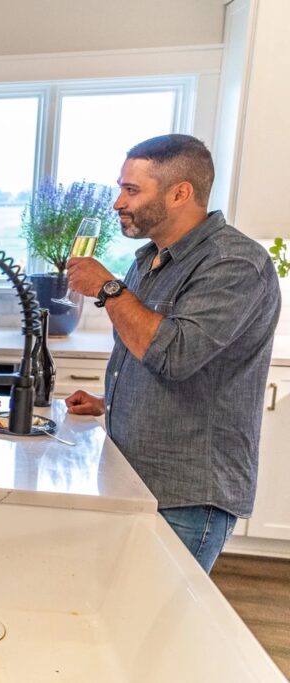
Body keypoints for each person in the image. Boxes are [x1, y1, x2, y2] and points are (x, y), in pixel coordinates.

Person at [65, 134, 280, 572]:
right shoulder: (148, 260)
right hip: (136, 478)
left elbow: (175, 354)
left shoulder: (235, 263)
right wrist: (111, 403)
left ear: (180, 192)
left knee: (156, 629)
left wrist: (108, 289)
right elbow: (150, 355)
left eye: (132, 190)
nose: (117, 203)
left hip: (186, 493)